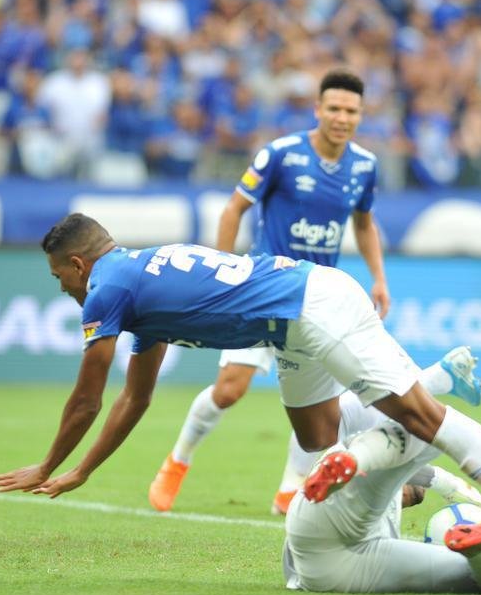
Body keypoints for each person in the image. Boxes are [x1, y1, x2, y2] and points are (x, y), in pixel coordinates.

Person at [0, 213, 481, 595]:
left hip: (311, 308)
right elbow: (133, 397)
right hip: (291, 324)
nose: (63, 289)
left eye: (59, 277)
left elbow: (87, 397)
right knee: (319, 434)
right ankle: (429, 404)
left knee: (421, 417)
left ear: (77, 265)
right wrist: (83, 471)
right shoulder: (137, 283)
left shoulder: (107, 287)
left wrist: (46, 466)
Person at [147, 69, 456, 517]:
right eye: (333, 108)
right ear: (318, 110)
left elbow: (364, 225)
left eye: (351, 111)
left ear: (360, 115)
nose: (341, 117)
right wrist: (222, 268)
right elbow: (235, 208)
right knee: (230, 390)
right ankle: (178, 461)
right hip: (260, 291)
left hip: (316, 305)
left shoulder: (365, 166)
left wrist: (380, 278)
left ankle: (289, 488)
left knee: (320, 406)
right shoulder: (281, 154)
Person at [283, 393, 481, 594]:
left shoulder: (380, 492)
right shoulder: (368, 440)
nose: (417, 497)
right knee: (425, 427)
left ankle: (479, 551)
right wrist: (445, 482)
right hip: (325, 525)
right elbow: (412, 442)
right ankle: (359, 459)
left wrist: (440, 482)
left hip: (340, 569)